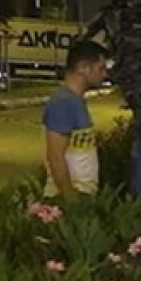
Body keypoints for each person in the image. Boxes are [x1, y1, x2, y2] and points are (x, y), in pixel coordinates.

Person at [43, 39, 109, 198]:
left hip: (80, 194)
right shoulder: (64, 102)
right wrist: (69, 197)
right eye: (100, 68)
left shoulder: (74, 101)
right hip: (69, 197)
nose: (105, 74)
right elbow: (55, 155)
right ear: (83, 68)